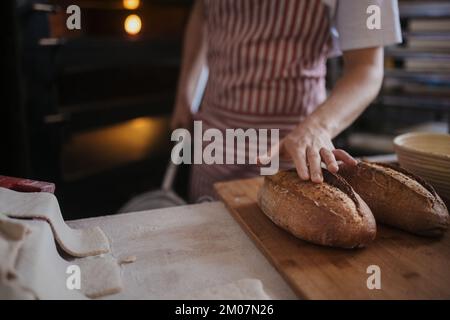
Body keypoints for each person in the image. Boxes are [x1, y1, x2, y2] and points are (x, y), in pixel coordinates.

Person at [171, 0, 402, 202]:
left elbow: (367, 69)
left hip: (292, 153)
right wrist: (185, 93)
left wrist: (317, 128)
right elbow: (202, 12)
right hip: (214, 145)